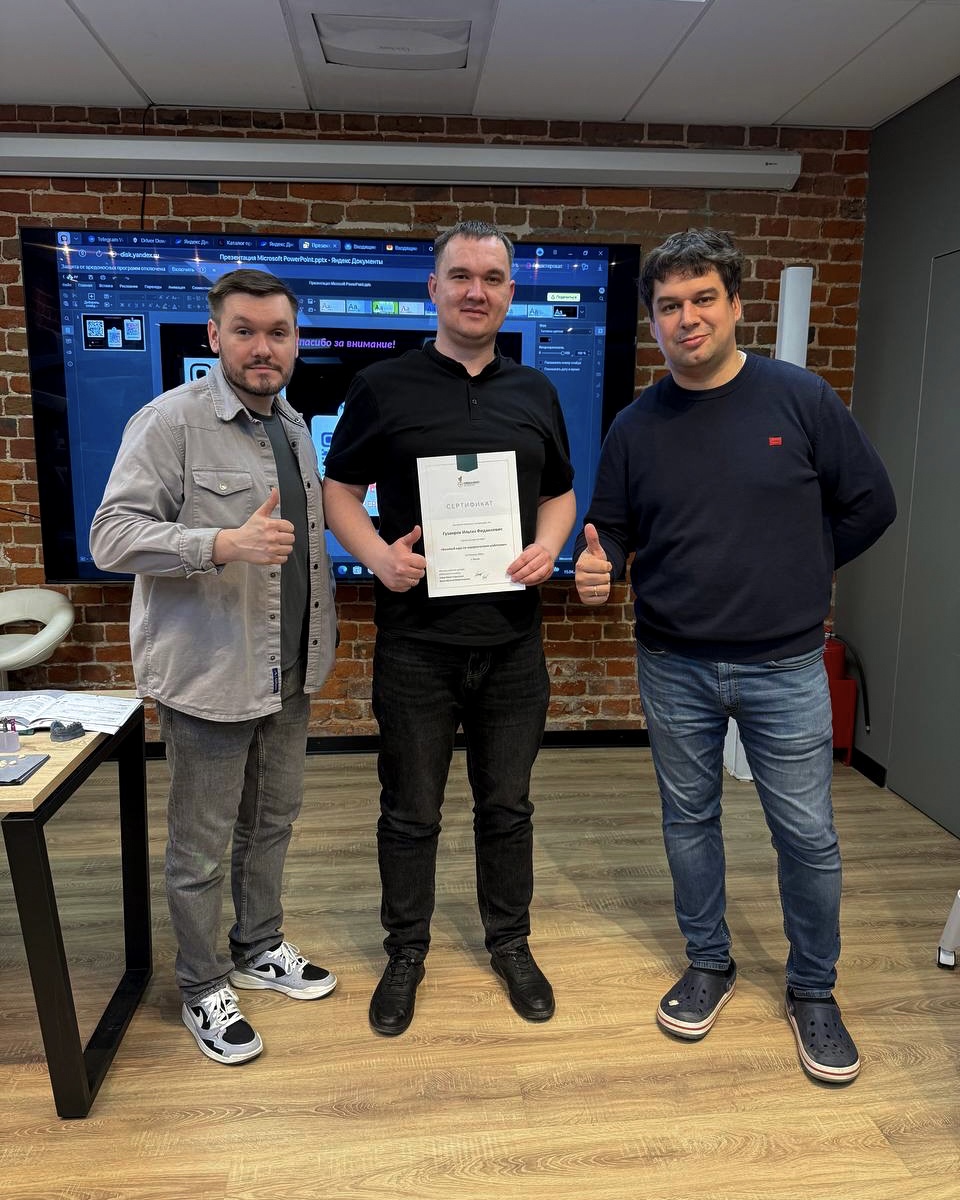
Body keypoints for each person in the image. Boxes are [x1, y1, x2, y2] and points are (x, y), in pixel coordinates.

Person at [574, 228, 896, 1084]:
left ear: (735, 305)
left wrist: (804, 566)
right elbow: (612, 529)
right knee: (689, 823)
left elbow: (872, 503)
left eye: (703, 299)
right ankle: (708, 962)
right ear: (652, 322)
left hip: (784, 664)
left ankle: (814, 989)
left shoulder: (799, 398)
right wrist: (599, 565)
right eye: (669, 306)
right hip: (672, 661)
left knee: (807, 835)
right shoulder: (636, 425)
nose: (687, 319)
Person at [322, 220, 576, 1036]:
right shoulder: (382, 386)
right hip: (416, 644)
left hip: (512, 643)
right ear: (433, 289)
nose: (476, 291)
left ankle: (510, 943)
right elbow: (338, 489)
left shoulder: (536, 393)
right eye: (460, 276)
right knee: (411, 812)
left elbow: (560, 493)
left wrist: (549, 546)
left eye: (492, 278)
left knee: (508, 807)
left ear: (510, 293)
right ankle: (406, 952)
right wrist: (376, 557)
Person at [90, 268, 339, 1065]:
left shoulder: (293, 426)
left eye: (278, 333)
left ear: (295, 341)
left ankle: (258, 944)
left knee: (272, 822)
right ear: (214, 337)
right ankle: (202, 984)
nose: (263, 348)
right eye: (245, 331)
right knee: (199, 848)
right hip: (209, 674)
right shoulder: (171, 421)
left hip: (288, 669)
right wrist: (220, 543)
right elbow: (110, 536)